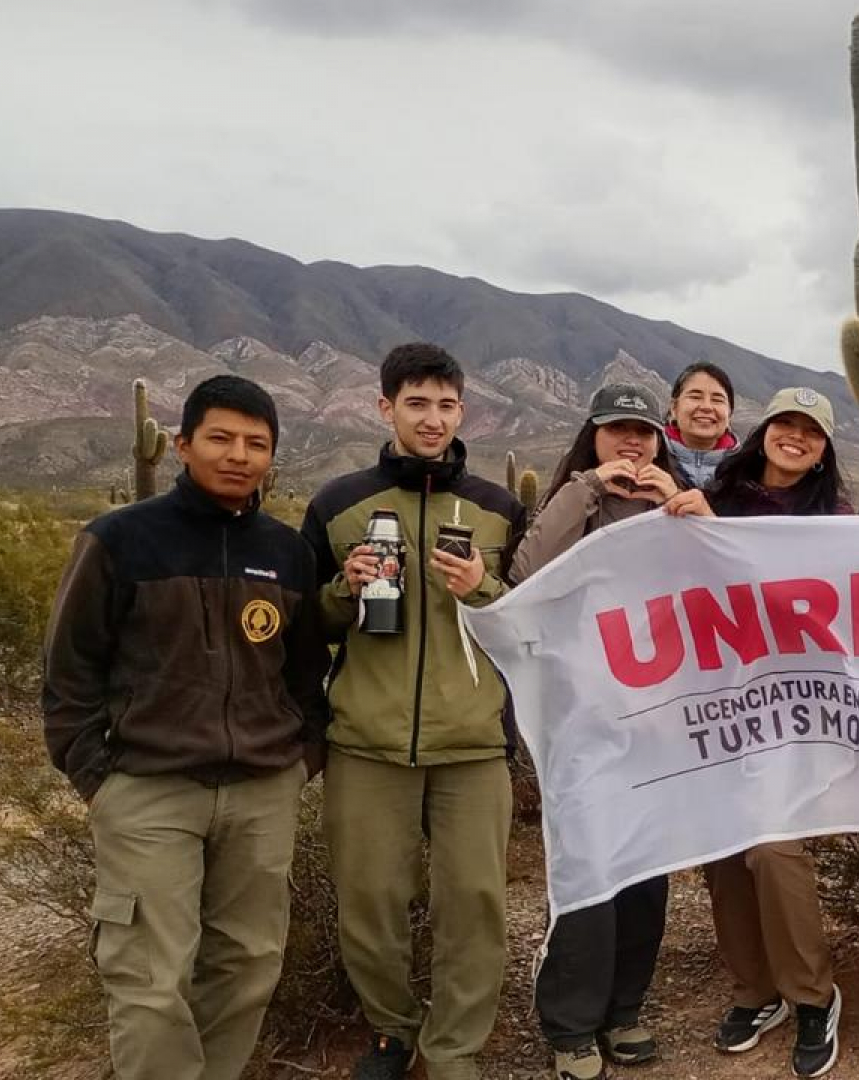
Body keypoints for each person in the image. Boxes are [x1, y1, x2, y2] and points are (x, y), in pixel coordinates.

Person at [41, 375, 325, 1080]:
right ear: (182, 444)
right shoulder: (119, 540)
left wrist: (301, 761)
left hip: (262, 789)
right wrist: (97, 778)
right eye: (221, 438)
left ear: (272, 456)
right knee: (148, 978)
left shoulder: (288, 553)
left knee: (248, 964)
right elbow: (69, 668)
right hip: (148, 789)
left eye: (256, 443)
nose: (238, 455)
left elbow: (306, 672)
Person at [299, 343, 528, 1080]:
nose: (433, 419)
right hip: (367, 741)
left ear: (464, 411)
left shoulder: (499, 508)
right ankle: (392, 1031)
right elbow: (307, 624)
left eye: (446, 405)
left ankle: (454, 1049)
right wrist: (344, 588)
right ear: (385, 407)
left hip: (472, 742)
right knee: (369, 902)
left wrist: (482, 589)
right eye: (417, 403)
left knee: (474, 905)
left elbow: (526, 623)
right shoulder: (337, 504)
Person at [510, 385, 689, 1078]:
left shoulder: (674, 507)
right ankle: (572, 1025)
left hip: (658, 717)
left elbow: (721, 576)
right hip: (582, 716)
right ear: (594, 437)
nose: (632, 443)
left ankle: (624, 1008)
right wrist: (587, 488)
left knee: (645, 870)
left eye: (643, 431)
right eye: (617, 430)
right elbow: (526, 574)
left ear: (660, 441)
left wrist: (684, 503)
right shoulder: (574, 502)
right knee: (588, 869)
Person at [681, 386, 847, 1079]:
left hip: (794, 706)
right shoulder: (716, 498)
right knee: (723, 849)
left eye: (812, 430)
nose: (796, 437)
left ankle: (812, 996)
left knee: (774, 848)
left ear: (823, 450)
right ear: (765, 430)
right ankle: (756, 991)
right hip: (718, 698)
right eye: (786, 423)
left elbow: (827, 600)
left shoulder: (836, 522)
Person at [664, 360, 739, 489]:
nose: (706, 407)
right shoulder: (650, 458)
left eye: (717, 400)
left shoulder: (746, 470)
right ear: (674, 408)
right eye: (695, 397)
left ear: (729, 413)